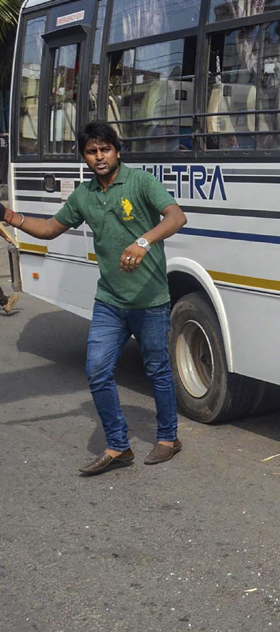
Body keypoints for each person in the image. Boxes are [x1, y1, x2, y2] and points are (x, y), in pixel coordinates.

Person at [1, 121, 188, 475]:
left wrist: (144, 242)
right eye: (91, 151)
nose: (99, 157)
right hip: (110, 301)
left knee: (157, 371)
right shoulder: (85, 195)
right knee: (97, 370)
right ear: (84, 157)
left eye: (105, 149)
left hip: (149, 300)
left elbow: (176, 216)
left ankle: (168, 438)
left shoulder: (140, 182)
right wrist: (8, 215)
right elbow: (49, 229)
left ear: (117, 151)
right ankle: (119, 445)